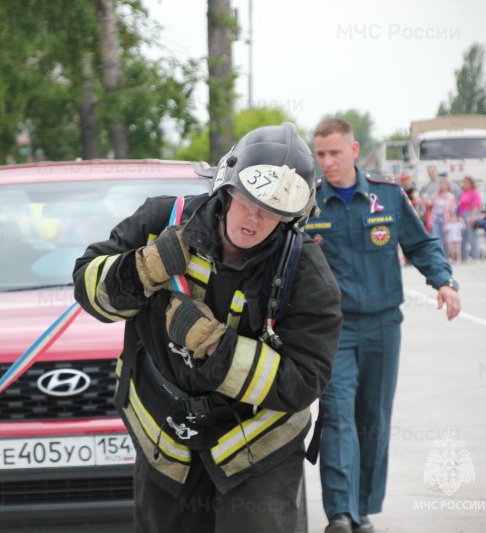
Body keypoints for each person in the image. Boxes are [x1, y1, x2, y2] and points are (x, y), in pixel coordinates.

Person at [73, 123, 343, 532]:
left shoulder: (305, 274)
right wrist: (145, 267)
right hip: (164, 438)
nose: (255, 220)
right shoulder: (162, 220)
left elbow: (304, 380)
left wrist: (214, 346)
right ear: (227, 187)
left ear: (293, 217)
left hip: (257, 449)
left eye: (273, 212)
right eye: (249, 201)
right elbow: (89, 289)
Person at [311, 118, 460, 533]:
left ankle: (361, 510)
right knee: (337, 415)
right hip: (333, 331)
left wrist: (444, 282)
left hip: (382, 325)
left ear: (354, 150)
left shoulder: (387, 196)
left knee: (372, 419)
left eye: (335, 153)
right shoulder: (309, 204)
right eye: (320, 154)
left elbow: (421, 244)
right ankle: (339, 513)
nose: (327, 162)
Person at [428, 178, 458, 255]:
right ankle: (437, 254)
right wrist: (437, 192)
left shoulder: (451, 196)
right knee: (436, 236)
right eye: (441, 184)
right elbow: (429, 202)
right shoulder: (436, 195)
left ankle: (446, 255)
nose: (442, 186)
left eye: (444, 184)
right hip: (436, 217)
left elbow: (452, 209)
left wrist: (451, 219)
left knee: (446, 238)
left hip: (445, 218)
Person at [458, 176, 482, 262]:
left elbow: (476, 205)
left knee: (472, 236)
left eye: (467, 182)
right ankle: (464, 255)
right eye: (464, 182)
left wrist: (473, 216)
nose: (465, 184)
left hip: (470, 213)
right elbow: (460, 205)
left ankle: (475, 255)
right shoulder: (463, 193)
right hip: (463, 214)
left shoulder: (474, 192)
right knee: (463, 236)